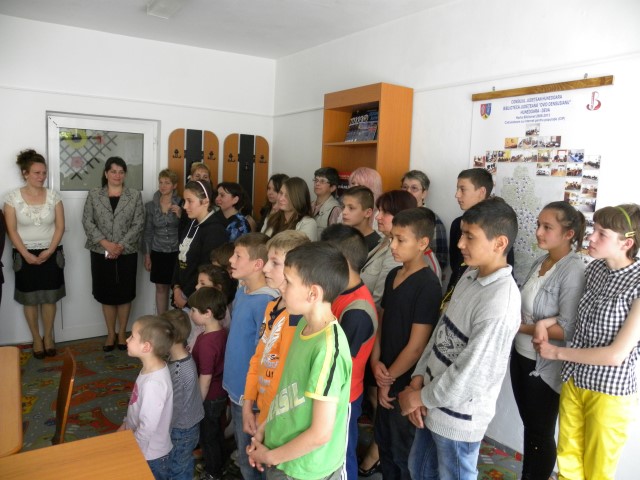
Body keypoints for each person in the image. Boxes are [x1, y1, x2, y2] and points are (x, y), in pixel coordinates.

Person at [398, 197, 520, 480]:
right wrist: (418, 378)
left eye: (470, 236)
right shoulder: (469, 273)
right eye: (462, 234)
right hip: (432, 402)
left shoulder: (499, 303)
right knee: (420, 471)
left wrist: (419, 398)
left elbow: (470, 375)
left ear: (499, 243)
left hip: (457, 418)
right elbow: (441, 330)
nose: (460, 243)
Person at [535, 204, 640, 480]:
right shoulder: (595, 270)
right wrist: (545, 322)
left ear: (626, 243)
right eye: (594, 230)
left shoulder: (637, 283)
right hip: (575, 380)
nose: (591, 237)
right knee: (568, 462)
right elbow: (579, 319)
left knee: (598, 472)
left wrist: (557, 353)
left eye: (602, 234)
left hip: (608, 391)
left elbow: (616, 355)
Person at [246, 242, 352, 480]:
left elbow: (320, 434)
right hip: (281, 455)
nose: (281, 287)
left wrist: (270, 457)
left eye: (288, 282)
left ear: (313, 293)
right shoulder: (303, 323)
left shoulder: (328, 350)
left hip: (304, 471)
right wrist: (265, 429)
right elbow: (288, 393)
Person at [510, 201, 586, 480]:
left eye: (547, 227)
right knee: (531, 428)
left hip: (543, 365)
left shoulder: (573, 269)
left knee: (540, 433)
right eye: (538, 225)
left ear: (568, 234)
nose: (539, 232)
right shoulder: (541, 261)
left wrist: (520, 327)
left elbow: (568, 329)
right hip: (521, 355)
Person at [370, 208, 442, 479]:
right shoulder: (393, 275)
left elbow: (416, 347)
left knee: (403, 453)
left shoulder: (427, 285)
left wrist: (388, 379)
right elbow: (383, 321)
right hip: (385, 373)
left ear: (422, 243)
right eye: (392, 238)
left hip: (403, 381)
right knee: (385, 443)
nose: (393, 246)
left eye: (401, 240)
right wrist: (375, 362)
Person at [357, 189, 413, 476]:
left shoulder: (396, 257)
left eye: (386, 212)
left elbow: (378, 301)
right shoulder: (384, 243)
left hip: (380, 332)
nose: (379, 217)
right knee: (373, 395)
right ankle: (378, 447)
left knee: (382, 397)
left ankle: (378, 451)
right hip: (373, 332)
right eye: (379, 211)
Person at [243, 231, 310, 444]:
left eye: (275, 263)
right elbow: (258, 357)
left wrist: (268, 421)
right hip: (262, 410)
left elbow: (290, 378)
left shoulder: (300, 318)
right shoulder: (272, 306)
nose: (265, 268)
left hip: (281, 421)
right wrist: (248, 404)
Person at [322, 224, 378, 480]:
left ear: (341, 261)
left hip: (343, 397)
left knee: (342, 458)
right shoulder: (338, 292)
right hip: (331, 393)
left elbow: (335, 361)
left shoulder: (357, 309)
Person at [223, 233, 279, 480]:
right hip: (237, 387)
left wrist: (251, 397)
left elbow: (263, 353)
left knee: (252, 459)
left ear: (257, 264)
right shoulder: (243, 290)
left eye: (238, 256)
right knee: (244, 450)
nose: (230, 260)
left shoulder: (266, 301)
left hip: (250, 395)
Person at [4, 149, 66, 358]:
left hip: (51, 252)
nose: (42, 177)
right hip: (24, 254)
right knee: (30, 299)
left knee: (49, 298)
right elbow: (11, 230)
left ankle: (48, 337)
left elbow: (60, 227)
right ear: (25, 173)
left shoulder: (54, 196)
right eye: (37, 173)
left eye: (44, 173)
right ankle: (36, 338)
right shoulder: (12, 198)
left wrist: (49, 251)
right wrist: (26, 254)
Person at [82, 157, 144, 352]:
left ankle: (122, 333)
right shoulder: (94, 194)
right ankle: (110, 333)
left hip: (127, 252)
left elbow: (138, 223)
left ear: (125, 174)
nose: (117, 175)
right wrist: (106, 244)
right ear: (106, 173)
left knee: (124, 294)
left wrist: (120, 246)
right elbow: (87, 221)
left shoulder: (134, 195)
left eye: (121, 172)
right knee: (106, 294)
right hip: (101, 251)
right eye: (113, 171)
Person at [120, 315, 175, 479]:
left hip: (151, 456)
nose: (127, 339)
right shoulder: (151, 368)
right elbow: (137, 406)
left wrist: (134, 451)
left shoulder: (154, 384)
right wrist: (126, 425)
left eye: (132, 336)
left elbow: (147, 427)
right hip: (144, 447)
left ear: (146, 347)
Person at [447, 168, 514, 296]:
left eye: (463, 189)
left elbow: (506, 265)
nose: (457, 195)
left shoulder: (497, 226)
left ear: (481, 192)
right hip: (457, 290)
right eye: (457, 189)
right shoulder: (456, 224)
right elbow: (455, 266)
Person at [189, 287, 229, 480]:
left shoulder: (207, 342)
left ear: (207, 313)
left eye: (194, 310)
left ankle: (213, 472)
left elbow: (205, 377)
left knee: (208, 436)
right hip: (220, 392)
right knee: (217, 431)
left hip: (209, 397)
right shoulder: (222, 332)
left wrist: (197, 402)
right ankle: (221, 463)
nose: (191, 314)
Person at [161, 309, 205, 480]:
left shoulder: (179, 371)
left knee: (177, 468)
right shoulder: (183, 356)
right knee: (183, 464)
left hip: (181, 430)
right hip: (188, 426)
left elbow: (175, 407)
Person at [171, 180, 228, 311]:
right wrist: (176, 286)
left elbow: (206, 268)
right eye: (184, 201)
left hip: (197, 298)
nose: (185, 206)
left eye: (190, 201)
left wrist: (185, 296)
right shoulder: (191, 223)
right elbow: (180, 256)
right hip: (181, 292)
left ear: (205, 201)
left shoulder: (215, 230)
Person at [143, 169, 182, 315]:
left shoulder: (182, 203)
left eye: (167, 183)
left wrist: (181, 215)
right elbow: (148, 232)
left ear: (175, 185)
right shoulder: (150, 206)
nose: (163, 186)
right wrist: (147, 255)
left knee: (178, 287)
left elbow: (189, 228)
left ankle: (179, 322)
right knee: (160, 288)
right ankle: (162, 321)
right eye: (161, 182)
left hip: (177, 252)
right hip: (158, 251)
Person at [401, 170, 448, 270]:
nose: (408, 192)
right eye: (405, 187)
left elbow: (440, 260)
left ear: (424, 193)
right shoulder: (395, 215)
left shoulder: (432, 220)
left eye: (414, 188)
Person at [196, 263, 235, 331]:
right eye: (198, 283)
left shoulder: (219, 313)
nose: (196, 287)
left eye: (202, 284)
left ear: (218, 288)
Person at [311, 167, 341, 237]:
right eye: (316, 180)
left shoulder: (335, 209)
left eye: (322, 181)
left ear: (332, 188)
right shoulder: (310, 204)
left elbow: (334, 238)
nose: (317, 184)